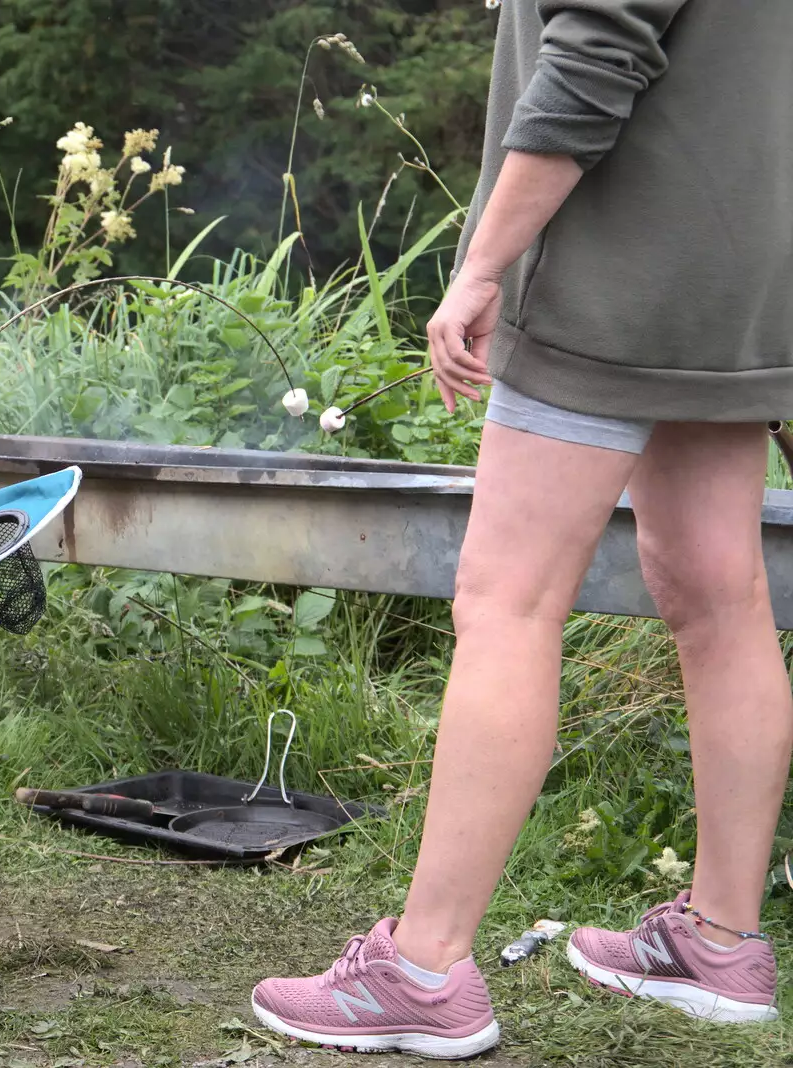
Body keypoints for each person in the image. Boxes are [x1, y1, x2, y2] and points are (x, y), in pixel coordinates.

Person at [251, 2, 793, 1057]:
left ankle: (423, 967)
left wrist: (484, 261)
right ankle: (720, 944)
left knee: (506, 599)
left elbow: (596, 54)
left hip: (610, 274)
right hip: (740, 281)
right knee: (717, 591)